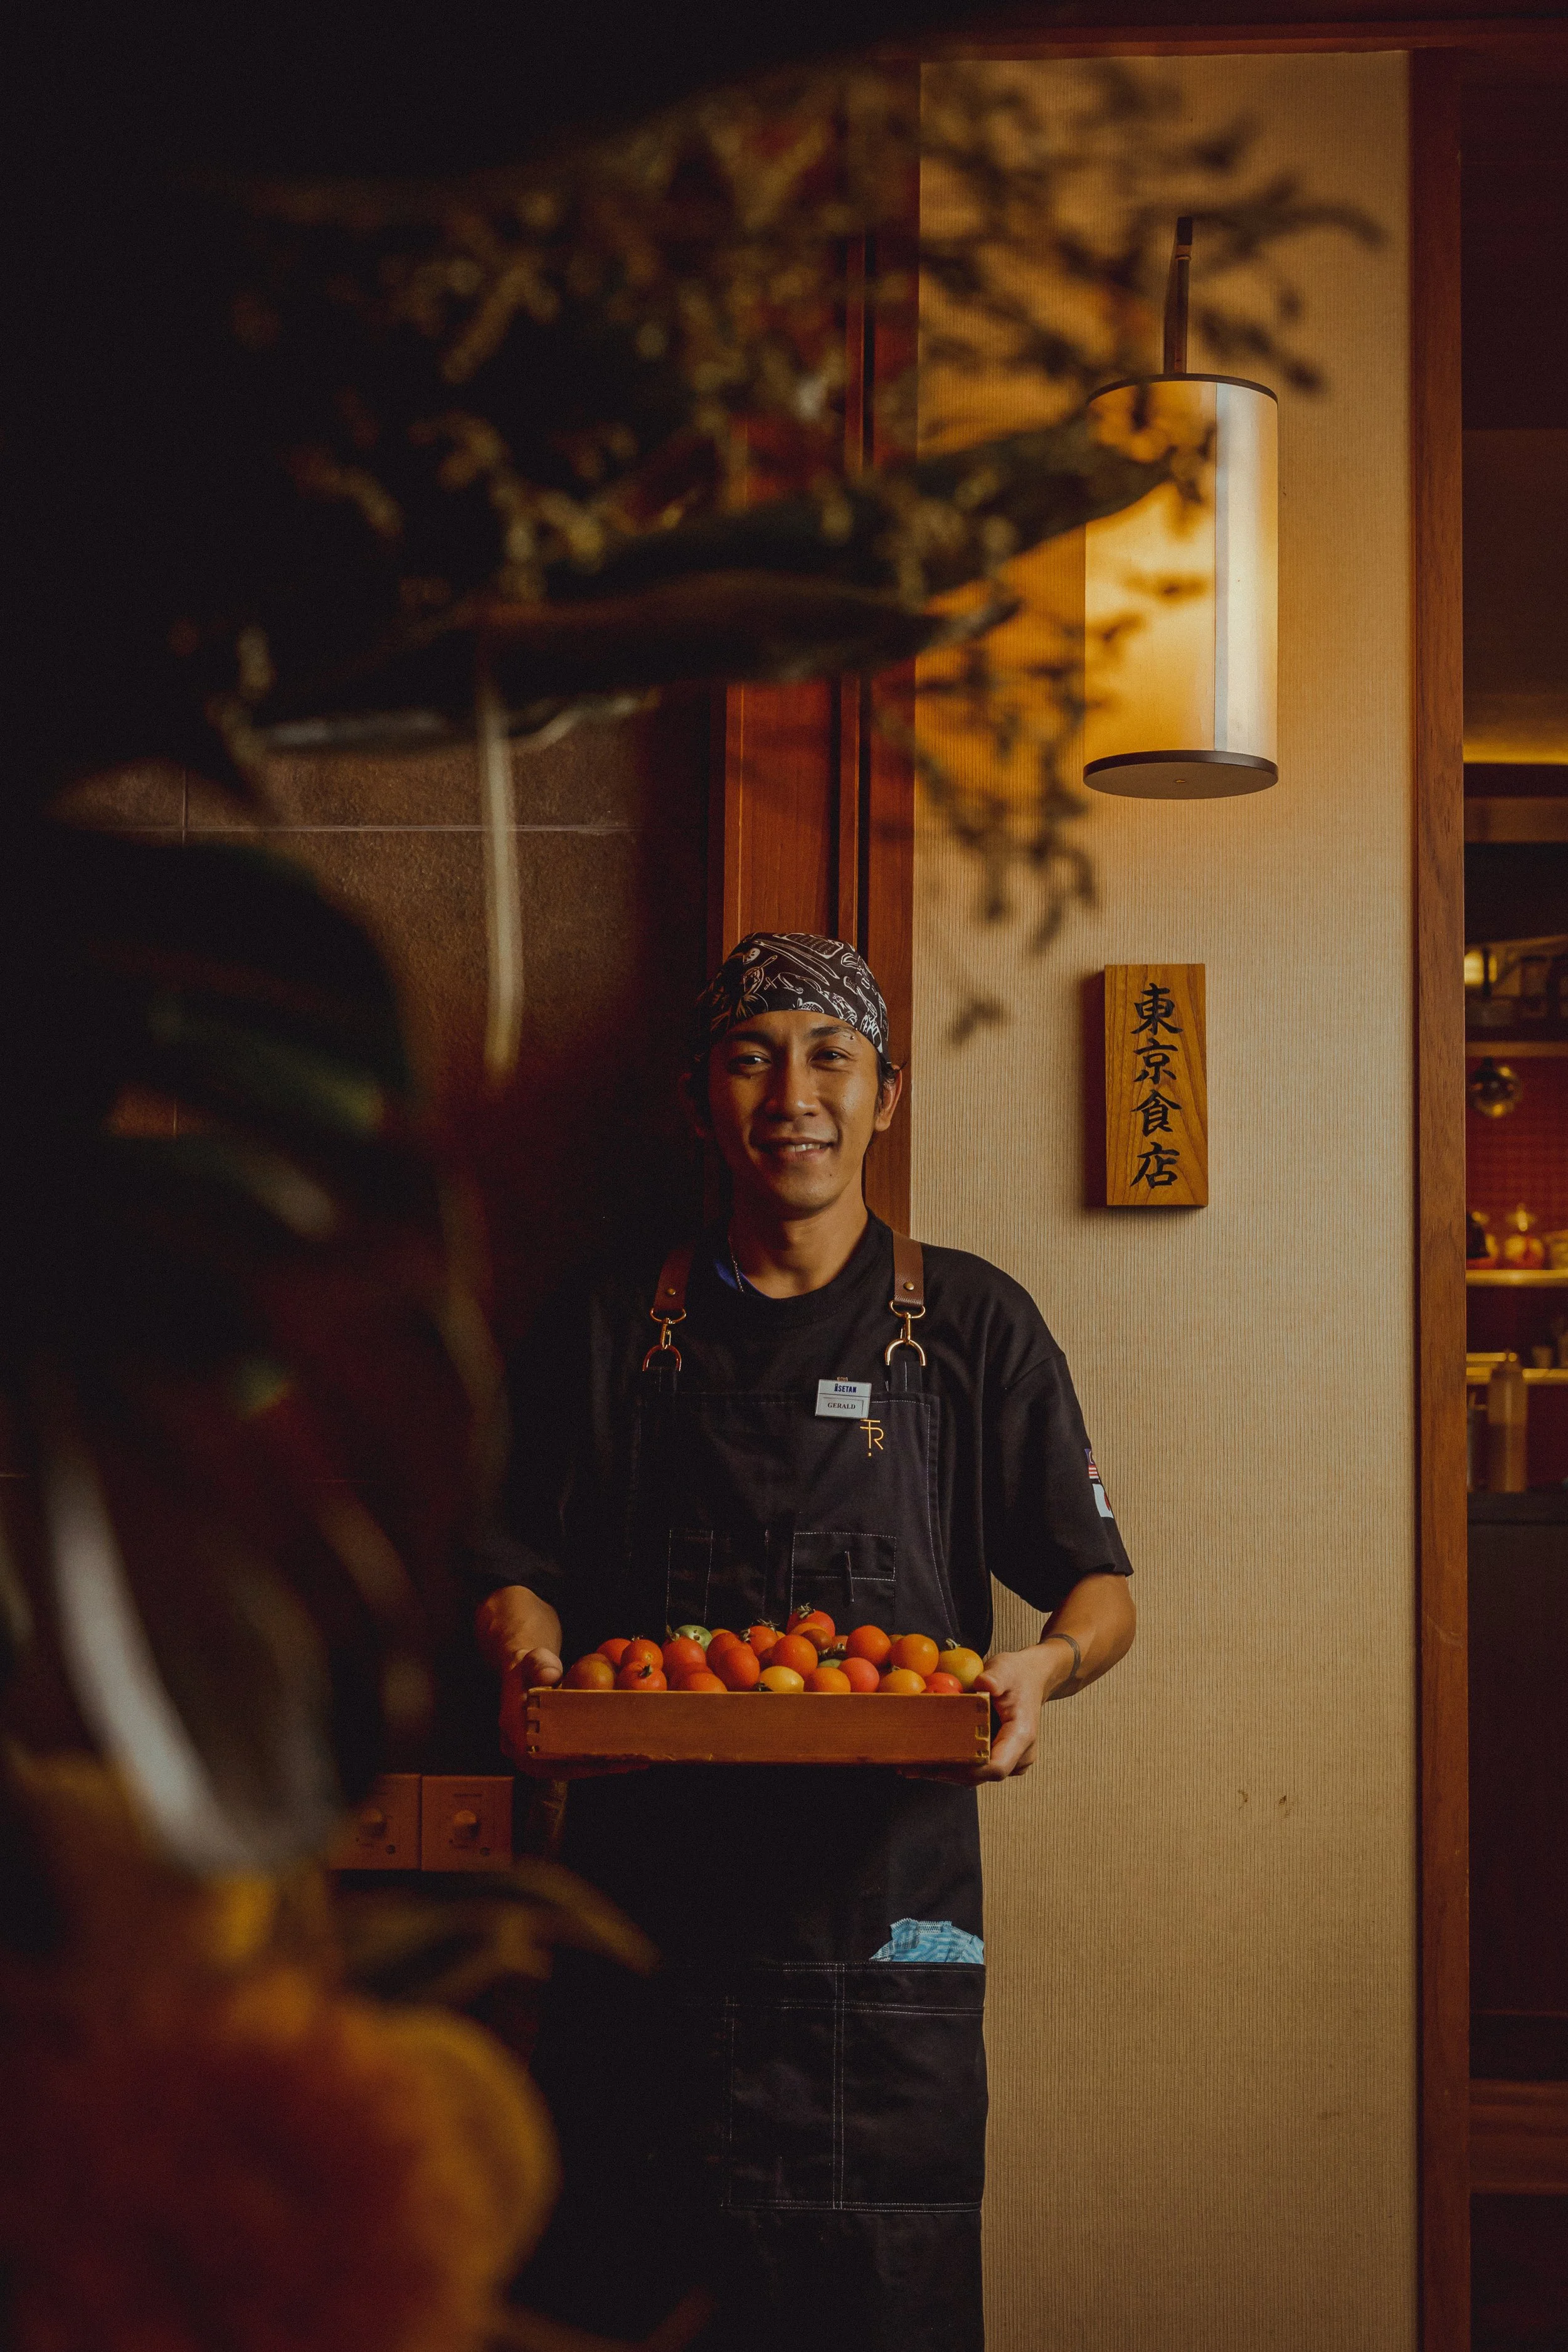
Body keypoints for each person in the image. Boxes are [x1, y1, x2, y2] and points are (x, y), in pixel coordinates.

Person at [477, 931, 1135, 2352]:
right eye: (752, 1056)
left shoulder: (967, 1325)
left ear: (884, 1094)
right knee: (617, 2296)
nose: (794, 1093)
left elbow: (1097, 1590)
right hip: (642, 1935)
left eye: (831, 1056)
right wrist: (530, 1663)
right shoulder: (605, 1323)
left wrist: (1040, 1668)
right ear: (697, 1093)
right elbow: (513, 1563)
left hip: (883, 1948)